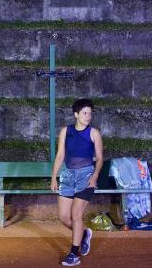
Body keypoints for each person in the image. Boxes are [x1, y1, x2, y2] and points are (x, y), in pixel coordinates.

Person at [50, 98, 104, 266]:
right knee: (64, 217)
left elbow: (100, 158)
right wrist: (54, 177)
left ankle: (74, 254)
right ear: (76, 114)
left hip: (86, 176)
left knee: (76, 215)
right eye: (84, 113)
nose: (88, 116)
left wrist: (95, 175)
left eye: (90, 113)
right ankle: (85, 234)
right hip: (67, 175)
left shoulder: (94, 133)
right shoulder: (66, 131)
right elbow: (60, 155)